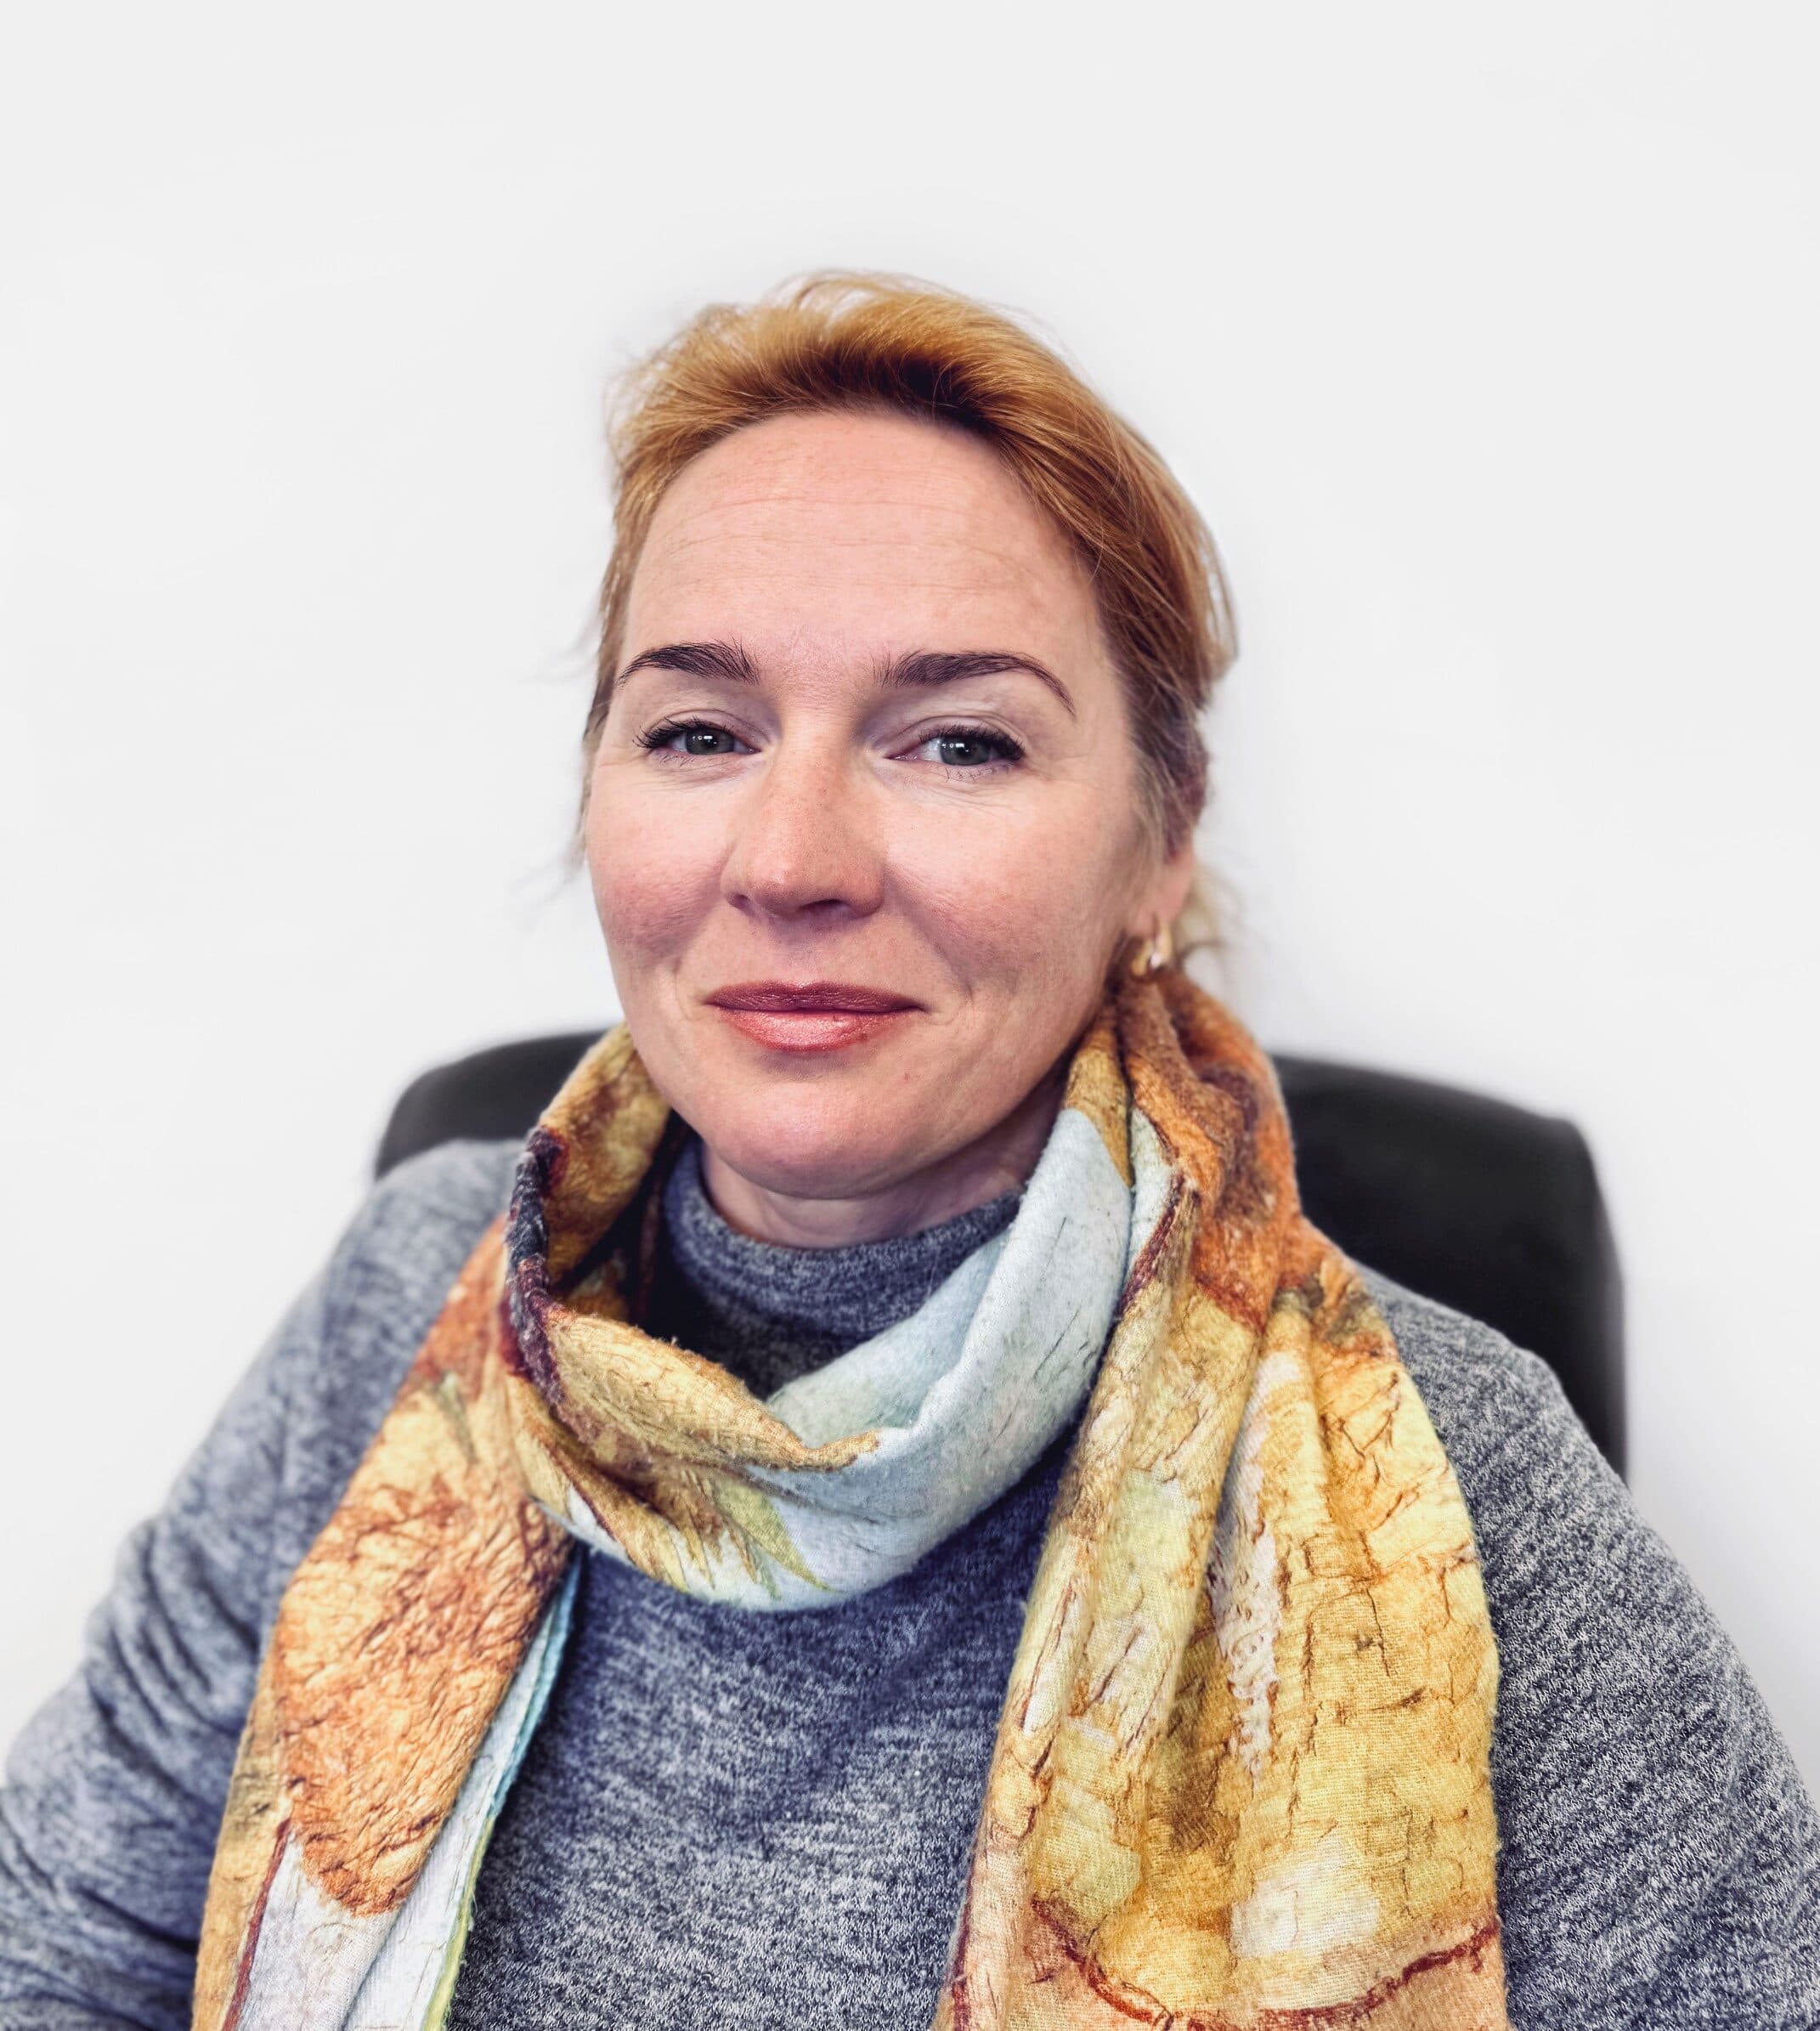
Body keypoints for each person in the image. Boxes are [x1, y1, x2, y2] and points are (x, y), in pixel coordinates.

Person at [2, 274, 1816, 2031]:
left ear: (1155, 844)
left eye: (958, 740)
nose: (791, 857)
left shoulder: (1451, 1476)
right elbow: (57, 1954)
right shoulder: (417, 1302)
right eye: (699, 729)